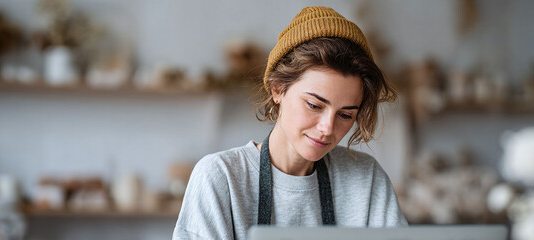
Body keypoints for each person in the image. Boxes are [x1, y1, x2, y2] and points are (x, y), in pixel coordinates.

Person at [173, 6, 407, 240]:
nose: (327, 128)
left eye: (345, 115)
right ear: (278, 89)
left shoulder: (366, 178)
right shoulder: (220, 177)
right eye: (314, 105)